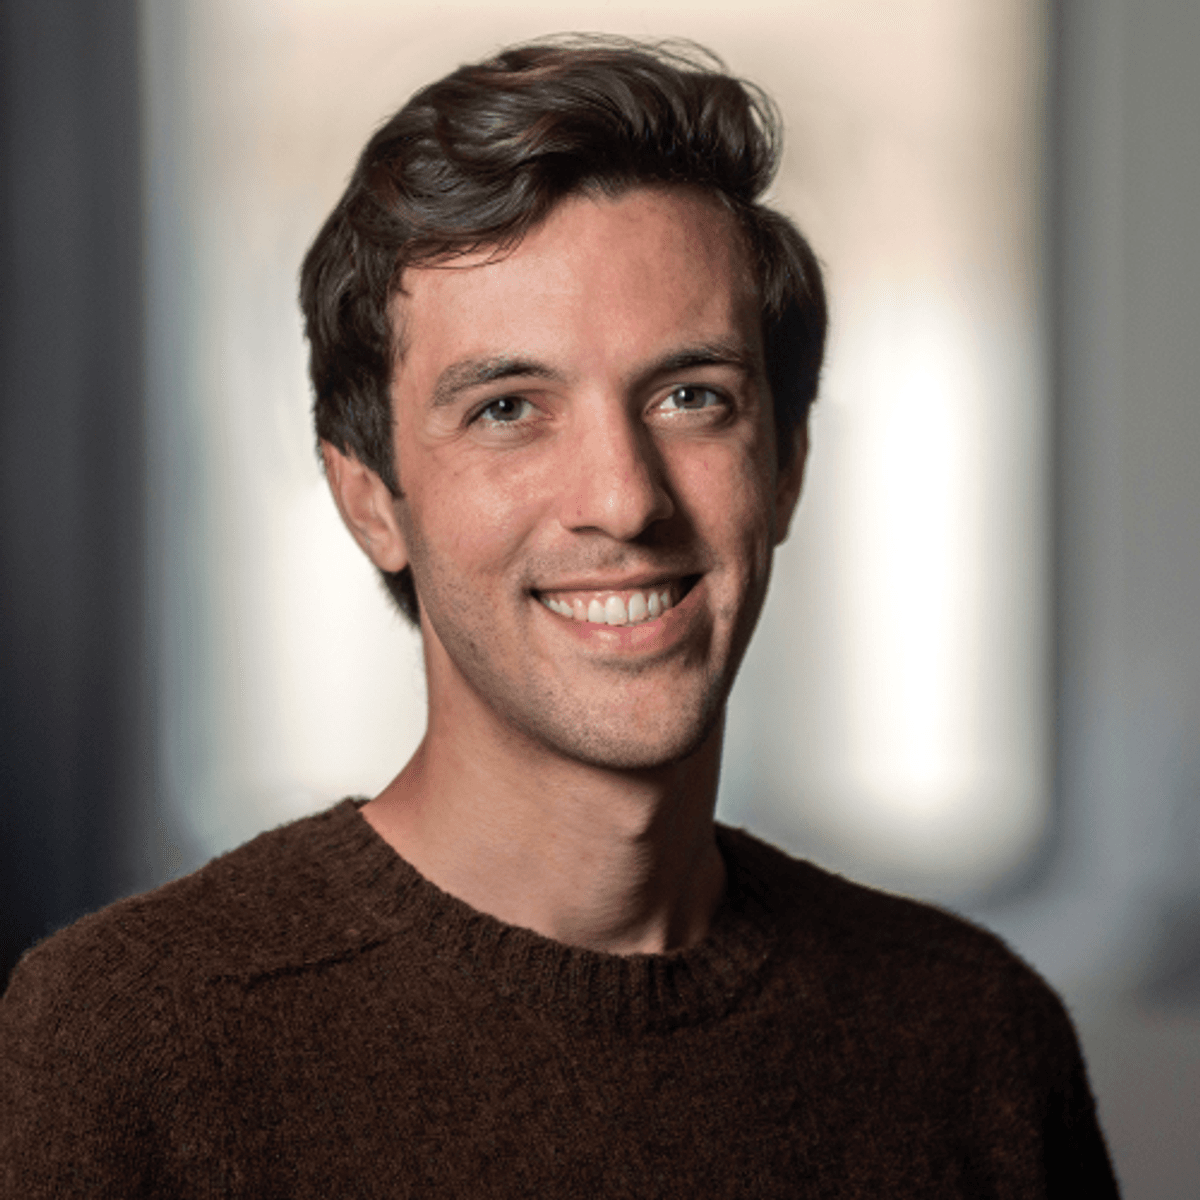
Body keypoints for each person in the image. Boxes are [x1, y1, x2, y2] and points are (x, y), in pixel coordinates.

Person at [1, 37, 1118, 1196]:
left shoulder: (974, 1035)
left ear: (785, 467)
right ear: (371, 501)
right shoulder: (134, 1041)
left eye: (692, 398)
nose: (624, 499)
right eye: (509, 409)